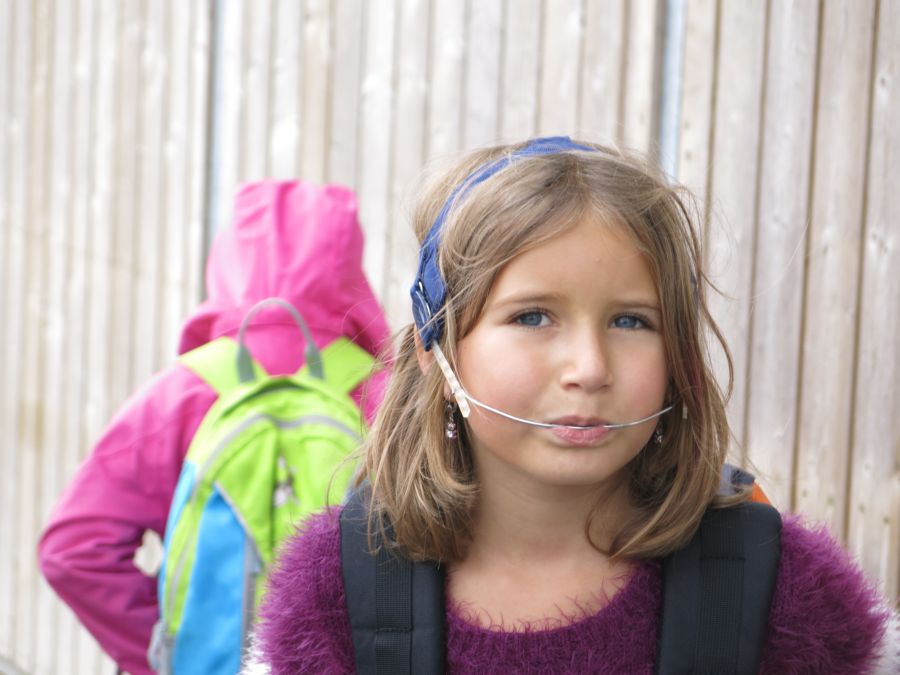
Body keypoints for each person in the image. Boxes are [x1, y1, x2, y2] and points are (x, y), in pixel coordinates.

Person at [250, 138, 899, 674]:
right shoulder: (333, 595)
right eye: (533, 316)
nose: (589, 368)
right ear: (434, 352)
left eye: (631, 321)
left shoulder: (787, 594)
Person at [38, 180, 391, 675]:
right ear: (350, 270)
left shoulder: (183, 394)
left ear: (229, 261)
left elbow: (72, 551)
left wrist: (170, 649)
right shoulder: (388, 399)